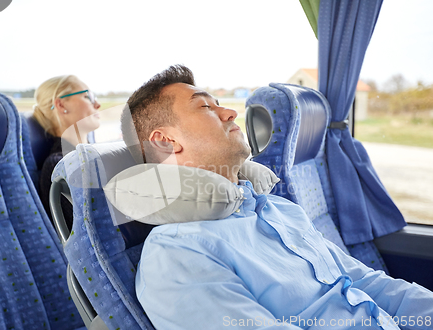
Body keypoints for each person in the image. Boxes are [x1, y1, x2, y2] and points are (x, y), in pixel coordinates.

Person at [122, 65, 433, 329]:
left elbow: (367, 284)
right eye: (205, 107)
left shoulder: (278, 209)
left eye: (220, 103)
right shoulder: (177, 254)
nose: (230, 112)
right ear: (165, 141)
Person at [33, 75, 101, 228]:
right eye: (87, 97)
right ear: (61, 104)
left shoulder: (95, 154)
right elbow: (89, 230)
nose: (98, 104)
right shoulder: (60, 165)